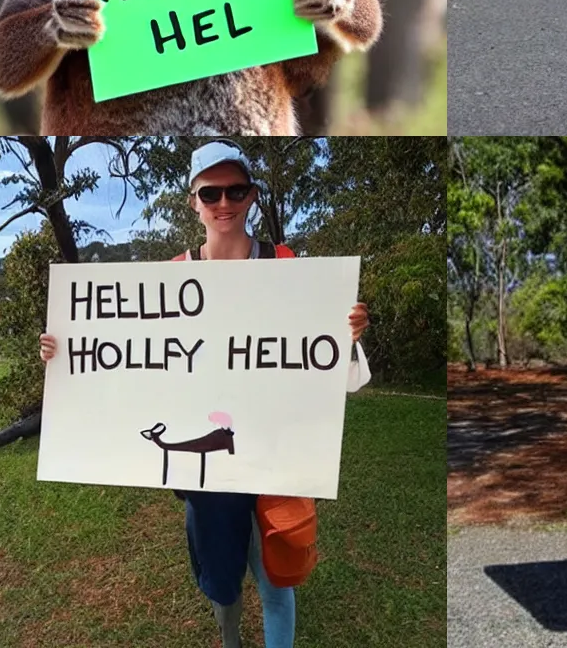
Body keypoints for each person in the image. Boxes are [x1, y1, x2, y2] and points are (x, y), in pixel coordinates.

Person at [41, 141, 369, 648]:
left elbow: (330, 373)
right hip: (208, 470)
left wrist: (345, 336)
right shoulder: (172, 277)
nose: (224, 203)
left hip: (278, 454)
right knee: (223, 585)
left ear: (253, 196)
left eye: (235, 190)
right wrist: (65, 352)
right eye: (210, 192)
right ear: (193, 201)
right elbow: (134, 368)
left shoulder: (286, 266)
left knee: (277, 579)